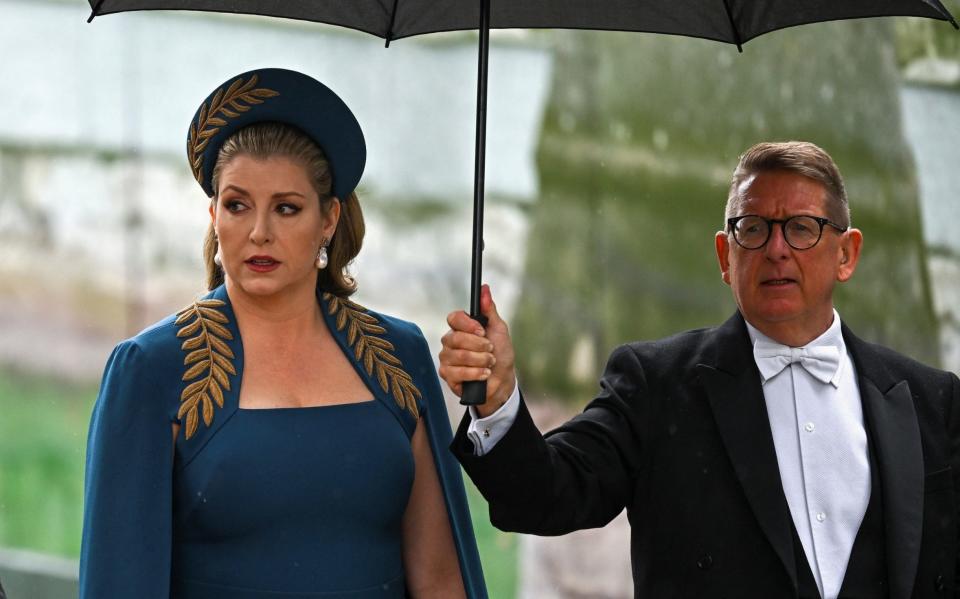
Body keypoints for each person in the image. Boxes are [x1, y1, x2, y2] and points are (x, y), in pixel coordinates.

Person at [439, 141, 960, 599]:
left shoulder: (933, 400)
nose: (776, 249)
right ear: (724, 255)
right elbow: (546, 497)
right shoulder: (656, 384)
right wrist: (498, 397)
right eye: (753, 229)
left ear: (846, 254)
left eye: (802, 228)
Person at [80, 68, 486, 599]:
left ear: (329, 219)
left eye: (287, 208)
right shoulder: (152, 370)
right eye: (237, 204)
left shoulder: (397, 356)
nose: (259, 232)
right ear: (213, 215)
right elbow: (119, 584)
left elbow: (440, 581)